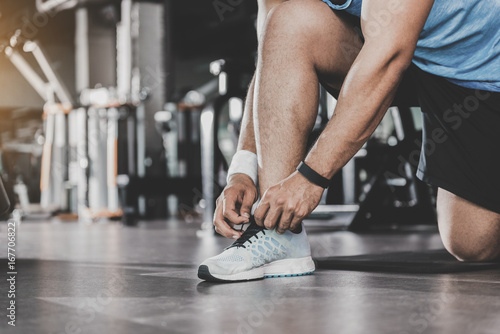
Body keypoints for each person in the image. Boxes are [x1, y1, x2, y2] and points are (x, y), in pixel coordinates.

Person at [198, 0, 500, 282]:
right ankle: (279, 234)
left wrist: (310, 178)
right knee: (290, 21)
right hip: (400, 47)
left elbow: (389, 56)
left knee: (471, 245)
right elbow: (272, 53)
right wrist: (244, 167)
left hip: (479, 67)